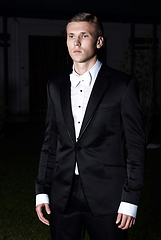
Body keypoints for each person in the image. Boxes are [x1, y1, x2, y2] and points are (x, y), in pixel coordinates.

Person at [35, 12, 145, 240]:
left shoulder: (122, 85)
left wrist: (130, 199)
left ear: (99, 41)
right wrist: (42, 191)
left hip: (108, 197)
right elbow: (49, 143)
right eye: (71, 36)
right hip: (62, 195)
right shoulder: (55, 86)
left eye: (84, 35)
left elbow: (135, 147)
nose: (76, 42)